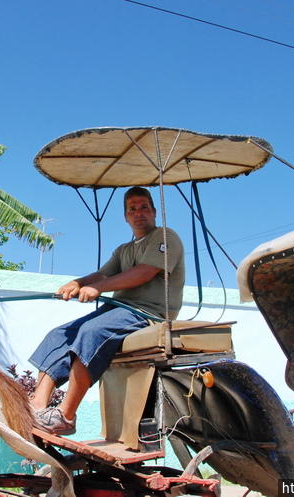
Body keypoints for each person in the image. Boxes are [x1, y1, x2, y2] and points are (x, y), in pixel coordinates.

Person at [29, 186, 185, 435]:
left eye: (144, 207)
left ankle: (65, 417)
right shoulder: (124, 250)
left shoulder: (165, 237)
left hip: (148, 314)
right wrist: (77, 283)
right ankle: (37, 406)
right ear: (125, 217)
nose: (138, 213)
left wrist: (98, 288)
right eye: (132, 209)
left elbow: (144, 272)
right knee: (60, 334)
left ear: (154, 211)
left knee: (91, 332)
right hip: (119, 310)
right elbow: (102, 273)